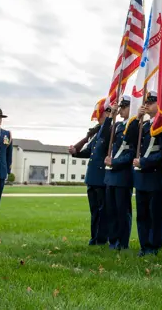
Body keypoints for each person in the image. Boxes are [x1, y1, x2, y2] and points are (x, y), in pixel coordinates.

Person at [127, 91, 162, 256]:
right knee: (142, 215)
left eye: (151, 102)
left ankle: (154, 246)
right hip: (141, 177)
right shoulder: (145, 125)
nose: (147, 105)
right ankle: (144, 245)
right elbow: (129, 138)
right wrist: (137, 118)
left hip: (155, 176)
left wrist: (144, 162)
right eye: (146, 103)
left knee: (154, 215)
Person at [69, 101, 111, 245]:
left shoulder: (109, 131)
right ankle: (94, 237)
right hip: (92, 177)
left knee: (102, 211)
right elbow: (89, 151)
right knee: (94, 212)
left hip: (101, 178)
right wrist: (76, 152)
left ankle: (101, 238)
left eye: (101, 114)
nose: (98, 118)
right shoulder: (96, 133)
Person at [104, 96, 137, 250]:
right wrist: (111, 115)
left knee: (122, 211)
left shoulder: (134, 126)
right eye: (121, 107)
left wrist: (115, 162)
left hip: (123, 174)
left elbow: (131, 153)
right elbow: (104, 136)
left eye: (125, 107)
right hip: (111, 176)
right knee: (111, 211)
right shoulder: (116, 125)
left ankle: (122, 243)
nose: (122, 110)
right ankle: (113, 241)